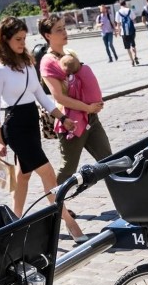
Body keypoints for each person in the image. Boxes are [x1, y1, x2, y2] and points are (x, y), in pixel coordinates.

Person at [0, 16, 85, 241]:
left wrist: (62, 117)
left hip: (32, 123)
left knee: (23, 177)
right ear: (5, 40)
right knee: (48, 173)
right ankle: (70, 224)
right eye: (18, 39)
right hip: (16, 127)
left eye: (24, 38)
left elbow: (41, 96)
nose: (22, 43)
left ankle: (13, 224)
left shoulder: (28, 63)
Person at [37, 15, 112, 192]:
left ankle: (127, 200)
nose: (64, 32)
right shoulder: (47, 62)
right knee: (67, 171)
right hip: (71, 123)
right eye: (59, 30)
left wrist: (93, 104)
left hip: (90, 119)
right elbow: (59, 97)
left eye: (64, 27)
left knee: (108, 160)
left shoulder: (69, 54)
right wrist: (87, 107)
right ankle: (56, 208)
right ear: (48, 36)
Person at [57, 54, 102, 138]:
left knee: (75, 112)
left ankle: (72, 132)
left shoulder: (73, 79)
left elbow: (72, 94)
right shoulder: (87, 68)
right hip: (98, 100)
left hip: (88, 103)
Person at [115, 0, 139, 66]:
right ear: (125, 4)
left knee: (128, 47)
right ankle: (135, 56)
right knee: (133, 45)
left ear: (120, 5)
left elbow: (118, 24)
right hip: (131, 30)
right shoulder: (129, 10)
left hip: (124, 32)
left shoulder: (118, 12)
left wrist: (119, 32)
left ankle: (132, 61)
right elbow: (134, 20)